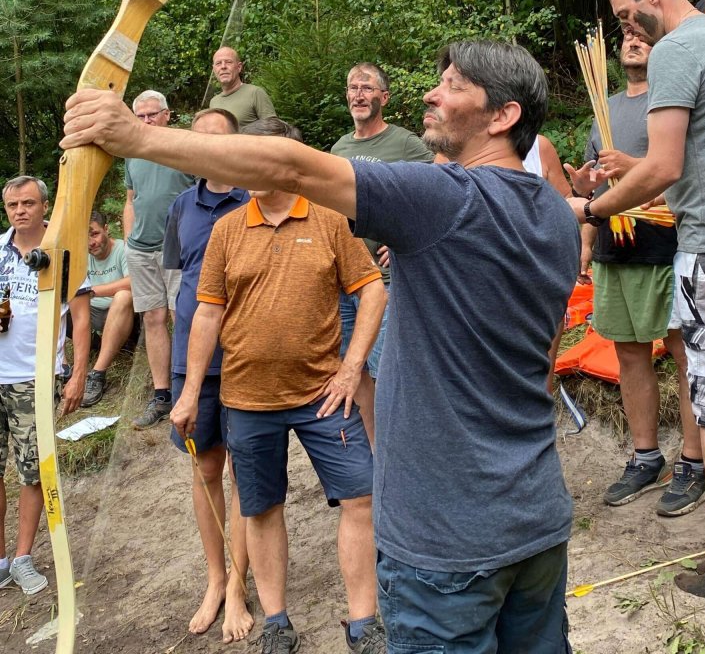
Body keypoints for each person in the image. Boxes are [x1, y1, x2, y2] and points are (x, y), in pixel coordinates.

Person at [62, 39, 581, 652]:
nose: (430, 93)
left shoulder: (445, 200)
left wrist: (140, 139)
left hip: (446, 545)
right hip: (537, 520)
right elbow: (544, 361)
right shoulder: (555, 212)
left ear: (503, 116)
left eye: (453, 84)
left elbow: (291, 167)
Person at [567, 0, 705, 604]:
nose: (631, 28)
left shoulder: (678, 49)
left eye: (630, 14)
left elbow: (663, 167)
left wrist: (594, 208)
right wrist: (640, 166)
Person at [171, 116, 387, 653]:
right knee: (262, 507)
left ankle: (364, 621)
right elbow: (206, 316)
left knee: (361, 497)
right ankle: (276, 621)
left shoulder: (330, 220)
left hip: (323, 393)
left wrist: (351, 367)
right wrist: (189, 391)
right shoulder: (226, 230)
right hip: (246, 398)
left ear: (289, 161)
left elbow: (372, 289)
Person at [566, 31, 705, 515]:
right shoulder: (605, 107)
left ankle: (694, 462)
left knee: (683, 352)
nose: (631, 40)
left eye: (642, 34)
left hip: (665, 246)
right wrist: (583, 196)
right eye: (624, 35)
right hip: (612, 249)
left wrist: (633, 166)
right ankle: (645, 456)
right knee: (628, 354)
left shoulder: (674, 99)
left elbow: (687, 170)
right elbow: (591, 187)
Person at [163, 107, 252, 642]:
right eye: (197, 141)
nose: (206, 148)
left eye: (216, 139)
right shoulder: (181, 205)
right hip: (191, 362)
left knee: (247, 473)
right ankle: (215, 580)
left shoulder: (257, 197)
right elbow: (183, 283)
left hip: (246, 357)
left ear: (237, 144)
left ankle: (241, 584)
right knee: (206, 470)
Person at [331, 62, 433, 443]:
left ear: (384, 98)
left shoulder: (405, 143)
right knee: (353, 373)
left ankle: (408, 450)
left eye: (367, 88)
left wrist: (409, 233)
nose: (359, 94)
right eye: (353, 87)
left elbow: (440, 188)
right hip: (344, 280)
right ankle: (379, 453)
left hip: (386, 280)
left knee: (389, 370)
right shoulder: (339, 148)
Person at [0, 176, 90, 595]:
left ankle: (23, 558)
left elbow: (83, 318)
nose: (20, 211)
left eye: (28, 203)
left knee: (33, 472)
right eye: (13, 204)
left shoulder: (63, 250)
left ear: (44, 205)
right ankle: (2, 561)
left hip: (33, 379)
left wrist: (78, 374)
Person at [125, 90, 195, 429]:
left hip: (179, 245)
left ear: (167, 115)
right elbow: (131, 199)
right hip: (140, 247)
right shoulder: (132, 151)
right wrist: (127, 240)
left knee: (179, 313)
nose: (146, 121)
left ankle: (189, 385)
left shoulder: (183, 146)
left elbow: (203, 191)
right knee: (152, 319)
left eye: (152, 115)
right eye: (139, 117)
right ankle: (162, 394)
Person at [80, 211, 134, 408]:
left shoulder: (122, 249)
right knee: (62, 299)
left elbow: (133, 281)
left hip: (123, 313)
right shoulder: (81, 255)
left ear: (106, 228)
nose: (90, 242)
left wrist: (91, 291)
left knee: (123, 295)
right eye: (84, 237)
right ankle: (62, 368)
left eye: (94, 234)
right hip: (92, 314)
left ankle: (98, 374)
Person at [209, 47, 276, 128]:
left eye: (228, 62)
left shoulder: (255, 93)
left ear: (239, 67)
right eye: (218, 63)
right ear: (214, 69)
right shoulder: (213, 102)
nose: (223, 66)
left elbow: (274, 130)